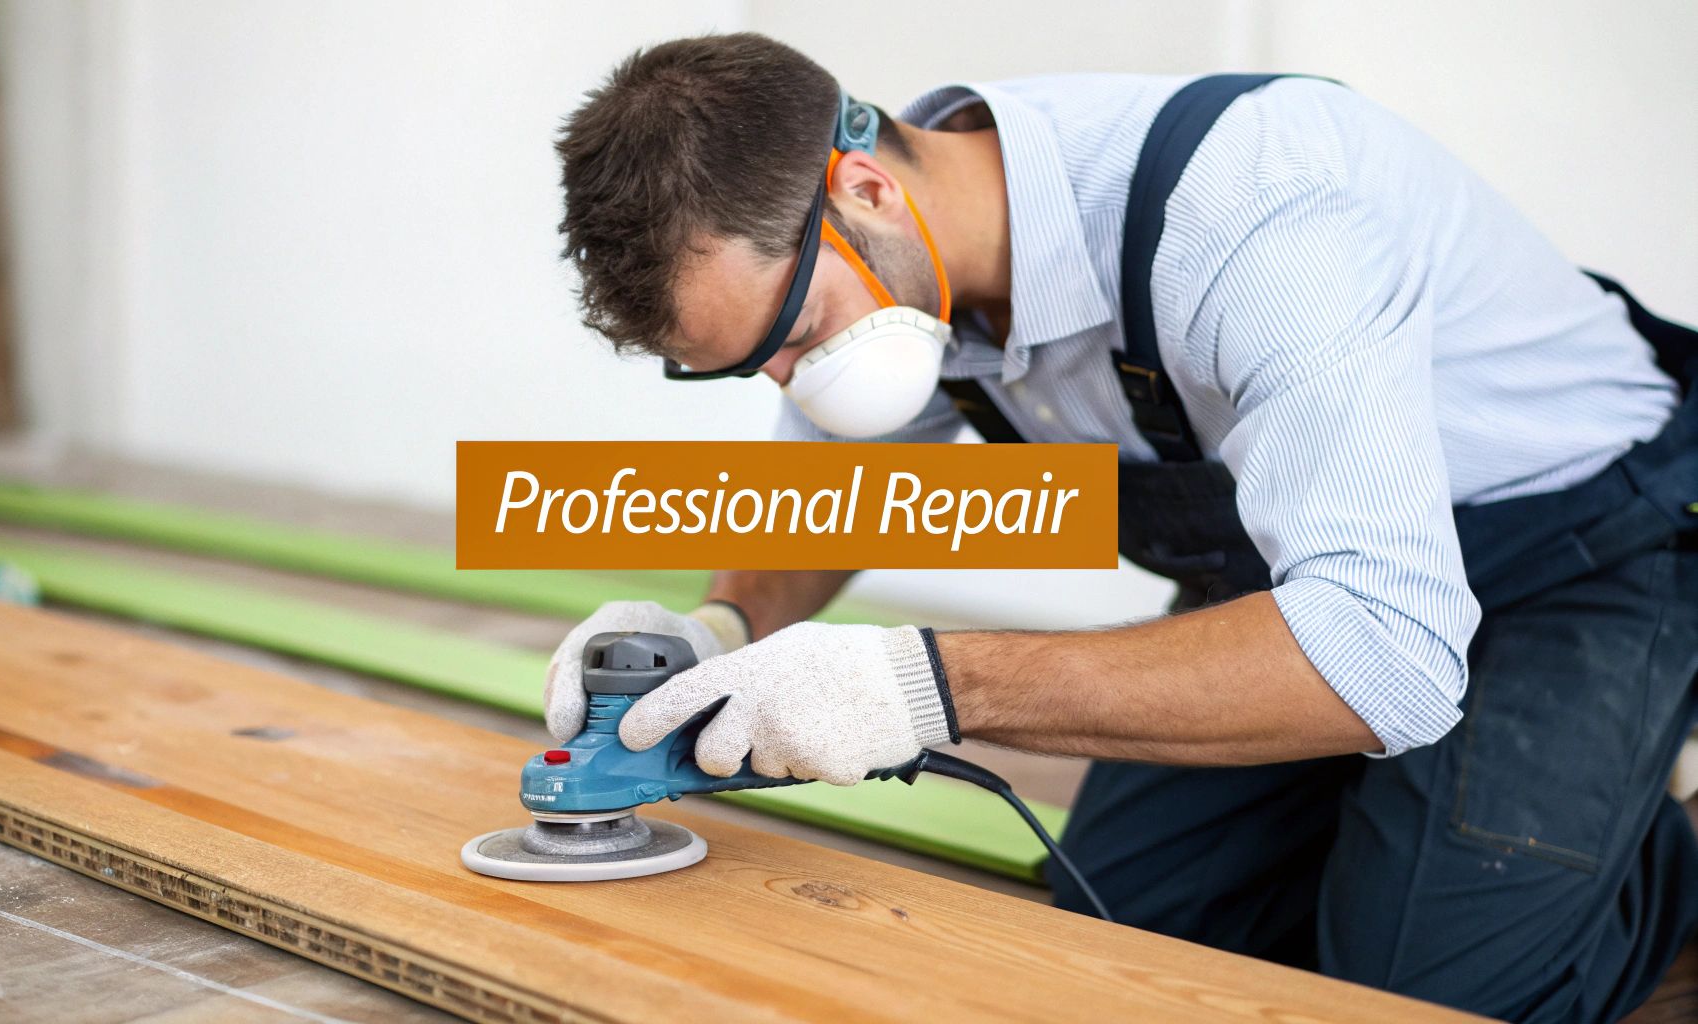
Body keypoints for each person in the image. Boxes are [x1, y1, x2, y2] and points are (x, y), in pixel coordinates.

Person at [544, 32, 1698, 1022]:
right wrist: (715, 625)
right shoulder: (899, 269)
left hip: (1578, 552)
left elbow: (1382, 651)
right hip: (1310, 571)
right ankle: (1441, 830)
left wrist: (927, 684)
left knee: (1421, 991)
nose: (794, 382)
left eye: (792, 337)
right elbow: (832, 502)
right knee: (1129, 925)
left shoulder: (1251, 213)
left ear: (867, 191)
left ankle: (1642, 832)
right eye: (749, 364)